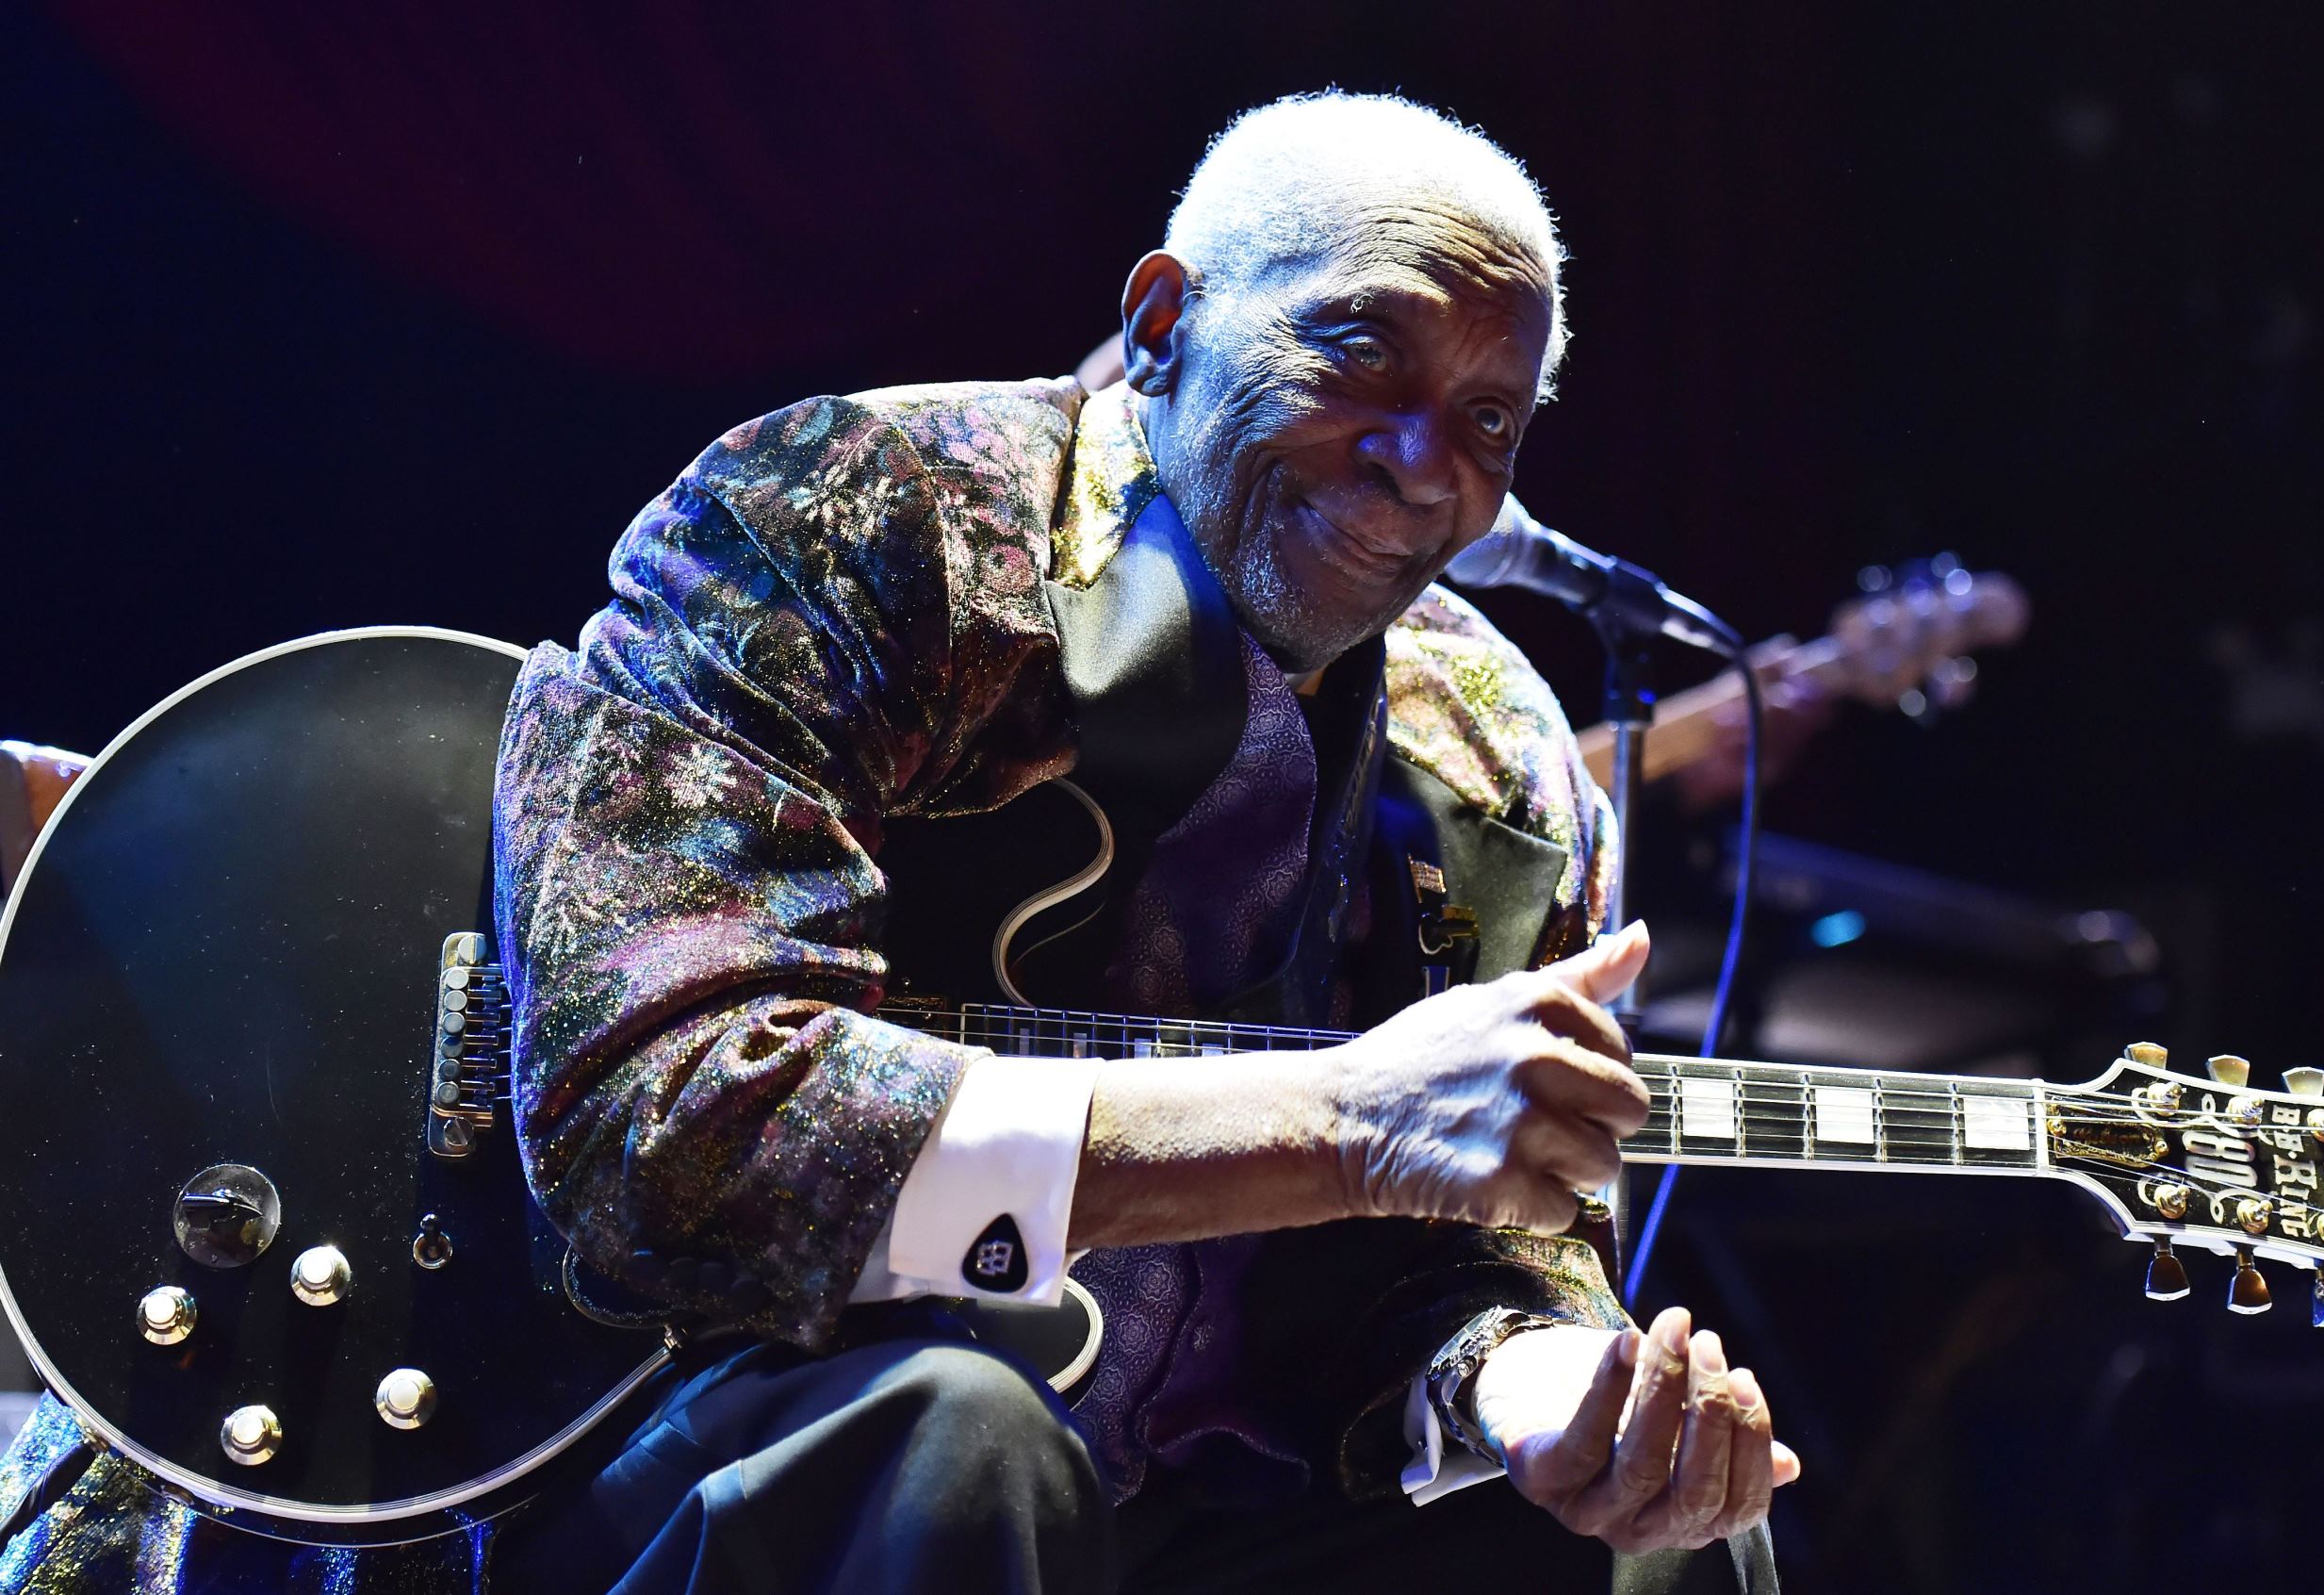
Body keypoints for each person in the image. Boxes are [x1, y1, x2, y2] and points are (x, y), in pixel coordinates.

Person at [0, 93, 1792, 1592]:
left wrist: (1546, 1395)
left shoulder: (1495, 753)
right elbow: (666, 1126)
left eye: (1488, 416)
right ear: (1162, 322)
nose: (1423, 462)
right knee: (954, 1442)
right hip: (657, 1429)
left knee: (1667, 1550)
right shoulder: (859, 522)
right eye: (1358, 350)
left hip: (1175, 1494)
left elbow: (1485, 1237)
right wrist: (1337, 1121)